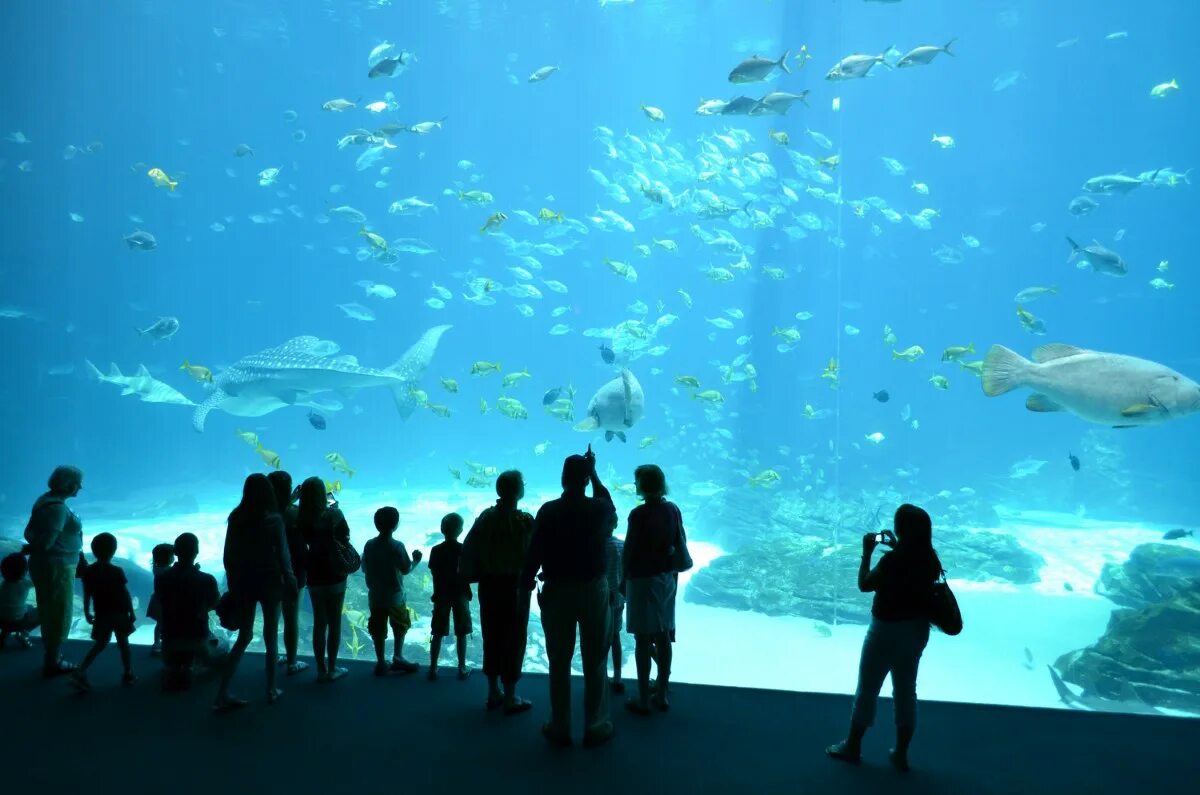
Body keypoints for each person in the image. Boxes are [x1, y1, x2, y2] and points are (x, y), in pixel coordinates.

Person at [826, 503, 944, 772]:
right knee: (906, 691)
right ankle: (901, 753)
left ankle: (853, 747)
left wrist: (867, 553)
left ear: (901, 529)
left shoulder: (892, 561)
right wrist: (897, 548)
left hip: (884, 632)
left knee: (868, 688)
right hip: (916, 631)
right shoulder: (930, 559)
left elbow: (865, 584)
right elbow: (912, 571)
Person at [523, 447, 618, 749]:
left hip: (557, 589)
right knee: (595, 658)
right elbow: (609, 505)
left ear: (562, 478)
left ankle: (560, 725)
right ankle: (596, 724)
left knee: (559, 659)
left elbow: (534, 552)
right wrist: (595, 472)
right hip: (593, 589)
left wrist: (525, 583)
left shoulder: (549, 510)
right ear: (586, 480)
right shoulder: (599, 510)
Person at [217, 473, 296, 711]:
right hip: (271, 581)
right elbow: (283, 556)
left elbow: (228, 557)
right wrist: (290, 578)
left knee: (244, 637)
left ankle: (221, 693)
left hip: (245, 582)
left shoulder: (236, 517)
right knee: (271, 636)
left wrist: (233, 586)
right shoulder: (274, 519)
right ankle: (271, 689)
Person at [461, 470, 536, 714]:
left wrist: (467, 577)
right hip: (515, 588)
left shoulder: (485, 517)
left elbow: (469, 548)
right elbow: (536, 551)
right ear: (518, 491)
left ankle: (493, 691)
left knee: (492, 635)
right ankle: (511, 696)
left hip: (489, 586)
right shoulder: (524, 521)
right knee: (514, 638)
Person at [622, 464, 688, 715]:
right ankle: (661, 693)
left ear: (641, 485)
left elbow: (629, 550)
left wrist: (621, 579)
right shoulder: (673, 509)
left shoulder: (637, 515)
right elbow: (679, 541)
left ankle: (642, 698)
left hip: (640, 580)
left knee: (642, 639)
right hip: (666, 579)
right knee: (662, 635)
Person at [22, 465, 85, 676]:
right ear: (68, 484)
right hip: (57, 567)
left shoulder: (45, 500)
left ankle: (45, 649)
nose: (80, 487)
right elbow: (47, 541)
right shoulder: (57, 508)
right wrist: (35, 549)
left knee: (48, 607)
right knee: (58, 611)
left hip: (51, 565)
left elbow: (29, 532)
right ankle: (53, 660)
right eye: (78, 482)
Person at [299, 476, 354, 682]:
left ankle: (320, 670)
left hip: (314, 573)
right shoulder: (334, 514)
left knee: (319, 623)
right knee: (335, 622)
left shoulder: (301, 518)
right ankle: (332, 668)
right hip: (335, 572)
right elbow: (345, 537)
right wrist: (334, 512)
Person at [70, 533, 137, 691]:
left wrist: (87, 612)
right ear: (114, 551)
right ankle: (128, 672)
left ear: (93, 551)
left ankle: (81, 670)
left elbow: (87, 594)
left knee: (100, 644)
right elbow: (125, 593)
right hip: (119, 613)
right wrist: (131, 612)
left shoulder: (89, 572)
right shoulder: (117, 571)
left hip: (101, 614)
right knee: (124, 643)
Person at [155, 532, 220, 692]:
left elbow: (160, 602)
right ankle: (191, 666)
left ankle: (177, 667)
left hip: (170, 638)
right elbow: (214, 603)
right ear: (196, 552)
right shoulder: (207, 579)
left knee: (173, 661)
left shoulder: (162, 578)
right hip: (197, 636)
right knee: (223, 645)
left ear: (175, 552)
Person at [362, 506, 423, 676]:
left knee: (378, 628)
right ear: (395, 525)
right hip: (395, 597)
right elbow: (405, 569)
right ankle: (398, 656)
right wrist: (416, 561)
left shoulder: (369, 544)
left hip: (375, 596)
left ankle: (381, 662)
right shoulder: (396, 546)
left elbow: (364, 567)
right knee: (400, 625)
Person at [268, 470, 308, 675]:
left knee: (271, 619)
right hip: (294, 571)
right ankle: (292, 662)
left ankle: (272, 657)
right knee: (291, 618)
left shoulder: (264, 514)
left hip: (270, 571)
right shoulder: (294, 513)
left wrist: (291, 499)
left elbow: (278, 509)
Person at [427, 512, 472, 680]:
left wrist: (437, 591)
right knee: (462, 632)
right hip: (460, 594)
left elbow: (434, 573)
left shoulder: (436, 550)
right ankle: (461, 667)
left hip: (441, 594)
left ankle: (432, 667)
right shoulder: (463, 549)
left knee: (437, 631)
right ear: (460, 530)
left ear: (441, 529)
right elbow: (467, 572)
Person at [0, 552, 40, 649]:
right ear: (25, 571)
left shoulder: (3, 585)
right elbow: (39, 580)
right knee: (42, 612)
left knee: (7, 610)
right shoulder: (25, 584)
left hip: (2, 621)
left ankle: (3, 636)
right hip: (19, 622)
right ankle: (23, 633)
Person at [604, 521, 626, 694]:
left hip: (600, 599)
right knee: (615, 637)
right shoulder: (621, 545)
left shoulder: (596, 546)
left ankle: (600, 676)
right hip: (618, 599)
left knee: (598, 638)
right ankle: (617, 676)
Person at [146, 542, 176, 656]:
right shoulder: (164, 571)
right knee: (164, 623)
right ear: (167, 558)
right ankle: (160, 643)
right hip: (164, 602)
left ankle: (157, 643)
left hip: (159, 601)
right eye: (172, 555)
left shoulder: (157, 568)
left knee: (160, 624)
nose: (174, 557)